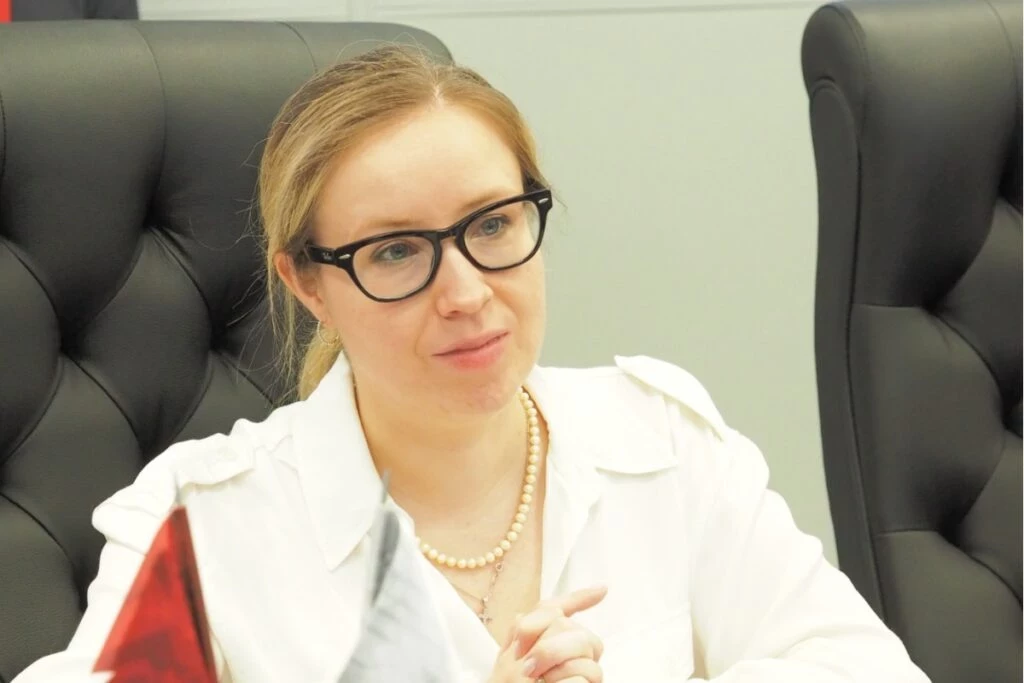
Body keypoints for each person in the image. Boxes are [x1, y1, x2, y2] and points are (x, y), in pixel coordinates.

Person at [14, 45, 931, 683]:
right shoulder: (202, 521)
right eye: (395, 251)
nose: (465, 291)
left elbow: (865, 668)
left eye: (492, 225)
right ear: (308, 284)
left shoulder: (662, 441)